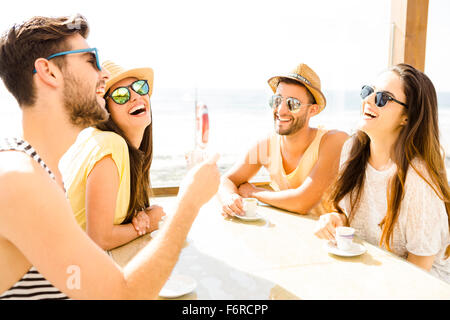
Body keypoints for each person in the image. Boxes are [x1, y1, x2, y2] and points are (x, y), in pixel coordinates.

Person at [0, 14, 220, 300]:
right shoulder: (20, 180)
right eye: (92, 61)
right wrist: (188, 203)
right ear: (49, 72)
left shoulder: (45, 175)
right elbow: (120, 296)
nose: (104, 75)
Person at [314, 64, 450, 284]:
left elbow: (419, 272)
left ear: (406, 117)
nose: (368, 100)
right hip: (375, 273)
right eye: (369, 91)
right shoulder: (352, 150)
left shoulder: (418, 177)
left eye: (383, 98)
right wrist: (336, 218)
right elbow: (355, 216)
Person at [59, 61, 165, 250]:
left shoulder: (110, 144)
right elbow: (99, 239)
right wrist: (149, 221)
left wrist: (139, 216)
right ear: (104, 110)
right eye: (121, 95)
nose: (135, 97)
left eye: (140, 87)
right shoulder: (110, 144)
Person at [219, 63, 349, 217]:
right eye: (277, 100)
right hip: (290, 233)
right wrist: (230, 198)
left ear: (312, 110)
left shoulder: (334, 141)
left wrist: (254, 192)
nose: (281, 110)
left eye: (293, 104)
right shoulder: (265, 147)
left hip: (331, 238)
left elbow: (302, 202)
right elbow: (227, 180)